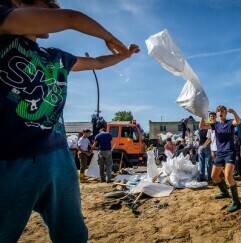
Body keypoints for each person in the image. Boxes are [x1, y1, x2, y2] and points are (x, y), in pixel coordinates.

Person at [0, 1, 140, 242]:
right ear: (18, 3)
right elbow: (72, 18)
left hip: (58, 157)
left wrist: (123, 56)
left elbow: (97, 62)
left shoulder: (56, 57)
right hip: (10, 159)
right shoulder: (2, 25)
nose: (53, 16)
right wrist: (109, 37)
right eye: (47, 7)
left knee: (73, 235)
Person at [199, 105, 241, 212]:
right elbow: (202, 126)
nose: (220, 112)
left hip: (230, 152)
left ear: (225, 113)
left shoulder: (230, 122)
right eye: (218, 111)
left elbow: (238, 122)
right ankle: (225, 192)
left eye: (222, 111)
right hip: (220, 153)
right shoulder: (215, 124)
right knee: (214, 176)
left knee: (228, 176)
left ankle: (236, 201)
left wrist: (234, 112)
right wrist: (203, 115)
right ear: (217, 114)